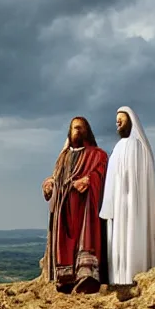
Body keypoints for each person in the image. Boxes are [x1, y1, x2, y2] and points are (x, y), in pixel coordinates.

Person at [41, 116, 109, 294]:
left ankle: (87, 278)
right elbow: (57, 177)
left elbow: (101, 174)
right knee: (64, 243)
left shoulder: (98, 155)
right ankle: (65, 279)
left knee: (85, 238)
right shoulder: (63, 156)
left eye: (80, 127)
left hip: (85, 206)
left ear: (87, 130)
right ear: (69, 132)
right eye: (74, 128)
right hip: (64, 207)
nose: (77, 130)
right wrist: (50, 183)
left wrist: (89, 179)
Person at [99, 106, 155, 285]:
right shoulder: (118, 147)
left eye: (122, 118)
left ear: (131, 121)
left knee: (134, 236)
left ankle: (135, 275)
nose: (117, 122)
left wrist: (133, 199)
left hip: (136, 205)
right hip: (119, 206)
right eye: (116, 119)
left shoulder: (139, 147)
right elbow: (112, 180)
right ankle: (119, 279)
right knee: (120, 241)